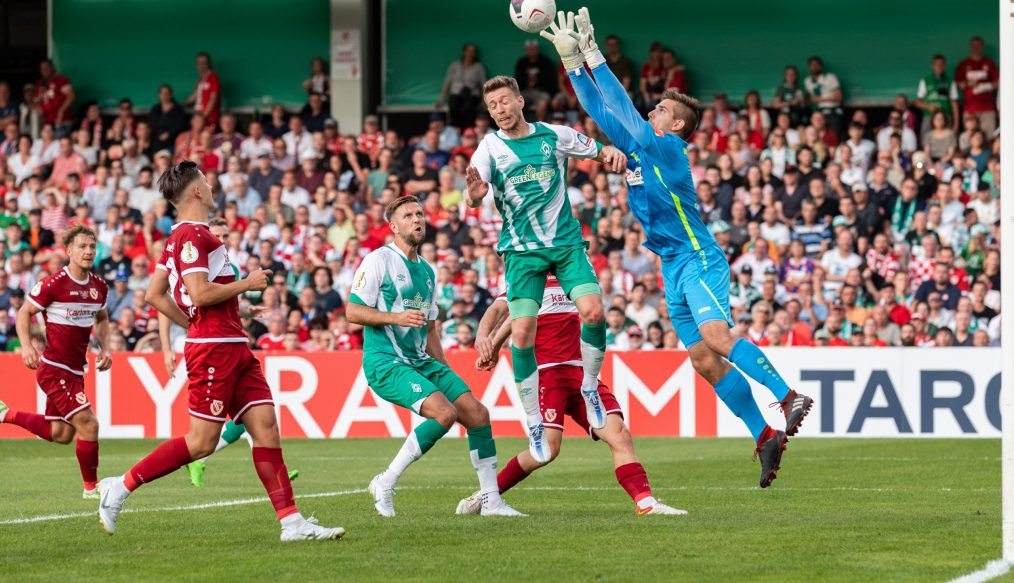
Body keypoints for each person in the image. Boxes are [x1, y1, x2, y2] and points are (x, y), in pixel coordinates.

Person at [543, 8, 812, 488]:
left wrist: (594, 55)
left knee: (716, 337)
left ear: (677, 127)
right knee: (702, 359)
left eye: (661, 110)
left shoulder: (668, 149)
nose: (651, 113)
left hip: (697, 256)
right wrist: (571, 63)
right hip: (671, 265)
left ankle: (786, 395)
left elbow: (623, 109)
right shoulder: (641, 145)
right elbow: (600, 110)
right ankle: (763, 434)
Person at [95, 161, 343, 541]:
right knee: (201, 442)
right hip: (214, 351)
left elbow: (155, 294)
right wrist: (246, 284)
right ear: (196, 191)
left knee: (266, 429)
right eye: (207, 182)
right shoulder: (194, 235)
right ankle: (121, 486)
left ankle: (292, 523)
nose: (211, 187)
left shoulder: (179, 237)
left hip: (233, 346)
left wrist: (217, 314)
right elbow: (199, 294)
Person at [465, 73, 625, 463]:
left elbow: (598, 151)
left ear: (520, 101)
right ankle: (534, 422)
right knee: (521, 334)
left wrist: (611, 154)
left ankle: (590, 387)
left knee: (594, 312)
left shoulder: (555, 135)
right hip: (522, 253)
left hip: (566, 244)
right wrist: (473, 195)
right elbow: (473, 194)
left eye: (505, 101)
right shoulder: (488, 148)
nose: (500, 110)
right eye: (492, 106)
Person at [345, 195, 522, 518]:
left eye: (420, 214)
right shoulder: (378, 260)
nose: (417, 220)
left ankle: (491, 501)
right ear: (394, 226)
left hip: (422, 360)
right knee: (444, 414)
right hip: (386, 361)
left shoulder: (427, 272)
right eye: (409, 216)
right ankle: (386, 480)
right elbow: (352, 311)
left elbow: (430, 331)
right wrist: (396, 318)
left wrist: (446, 373)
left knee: (478, 415)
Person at [458, 275, 685, 516]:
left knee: (620, 434)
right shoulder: (529, 277)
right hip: (547, 376)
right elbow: (506, 312)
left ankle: (646, 502)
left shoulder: (574, 273)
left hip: (581, 373)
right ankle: (487, 495)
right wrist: (489, 343)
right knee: (546, 451)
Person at [173, 218, 299, 488]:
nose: (223, 239)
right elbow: (176, 297)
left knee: (254, 416)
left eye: (227, 235)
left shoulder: (225, 261)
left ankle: (277, 478)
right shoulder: (193, 254)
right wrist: (167, 342)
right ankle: (127, 483)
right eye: (218, 234)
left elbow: (223, 301)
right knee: (209, 436)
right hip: (211, 346)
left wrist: (245, 311)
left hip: (232, 342)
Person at [0, 226, 110, 498]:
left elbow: (102, 317)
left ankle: (5, 414)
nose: (88, 251)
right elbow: (25, 312)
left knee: (61, 434)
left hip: (75, 370)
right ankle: (91, 489)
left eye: (92, 247)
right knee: (89, 424)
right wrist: (27, 346)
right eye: (82, 246)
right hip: (54, 368)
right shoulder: (53, 284)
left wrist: (105, 348)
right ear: (68, 250)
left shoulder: (99, 286)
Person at [437, 43, 487, 129]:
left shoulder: (478, 67)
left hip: (472, 94)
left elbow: (484, 84)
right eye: (469, 51)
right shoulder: (454, 65)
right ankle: (456, 130)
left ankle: (468, 130)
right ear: (464, 52)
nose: (471, 53)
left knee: (468, 108)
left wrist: (484, 100)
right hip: (456, 93)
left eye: (473, 51)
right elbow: (447, 83)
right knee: (453, 106)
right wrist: (441, 100)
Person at [955, 36, 998, 136]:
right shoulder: (964, 64)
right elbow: (957, 85)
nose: (976, 48)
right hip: (969, 108)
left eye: (978, 46)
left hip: (987, 108)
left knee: (988, 138)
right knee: (970, 138)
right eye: (974, 46)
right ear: (970, 47)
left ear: (982, 47)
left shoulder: (989, 63)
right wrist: (967, 84)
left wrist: (984, 86)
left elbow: (998, 83)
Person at [915, 54, 960, 136]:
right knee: (925, 139)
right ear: (932, 65)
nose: (939, 67)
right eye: (936, 64)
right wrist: (928, 106)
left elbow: (954, 103)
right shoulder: (925, 81)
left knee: (948, 139)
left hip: (945, 115)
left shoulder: (950, 81)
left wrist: (956, 124)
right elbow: (917, 102)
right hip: (929, 116)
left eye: (941, 65)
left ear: (945, 66)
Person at [33, 59, 75, 137]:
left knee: (59, 145)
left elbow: (71, 96)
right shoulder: (40, 84)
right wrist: (37, 107)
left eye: (46, 68)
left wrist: (61, 111)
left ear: (52, 68)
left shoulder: (61, 80)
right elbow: (35, 101)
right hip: (48, 122)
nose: (44, 70)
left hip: (62, 121)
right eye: (42, 69)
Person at [184, 52, 220, 129]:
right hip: (198, 115)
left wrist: (204, 116)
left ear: (209, 63)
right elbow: (194, 96)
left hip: (208, 117)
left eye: (204, 62)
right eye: (199, 63)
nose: (201, 65)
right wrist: (180, 105)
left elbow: (213, 98)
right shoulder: (200, 79)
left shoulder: (213, 77)